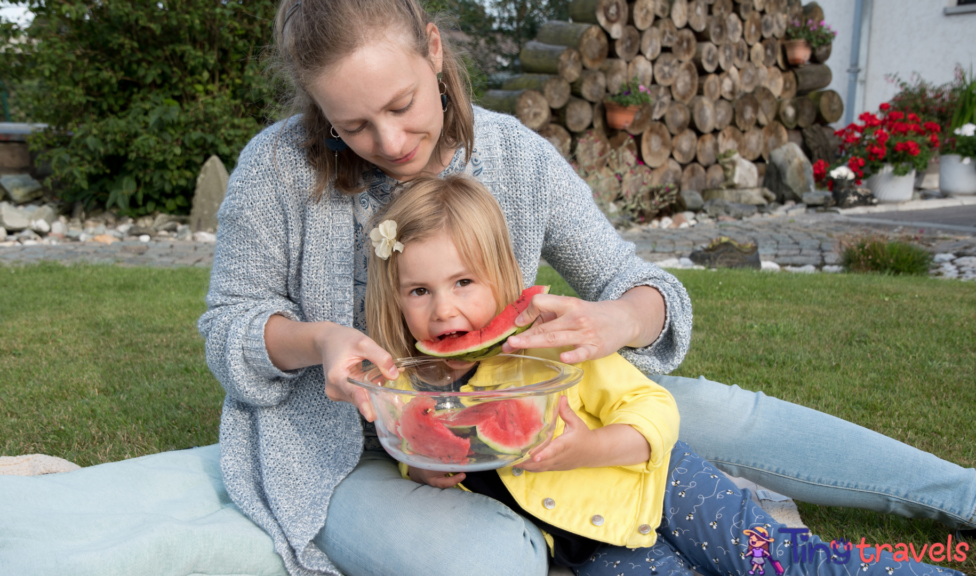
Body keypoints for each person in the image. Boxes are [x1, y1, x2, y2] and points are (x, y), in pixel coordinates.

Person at [197, 0, 976, 574]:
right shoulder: (277, 168)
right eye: (353, 126)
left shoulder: (517, 157)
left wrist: (615, 323)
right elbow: (230, 324)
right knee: (494, 561)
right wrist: (317, 340)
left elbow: (644, 287)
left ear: (434, 51)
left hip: (530, 410)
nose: (390, 143)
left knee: (697, 409)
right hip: (343, 453)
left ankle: (962, 493)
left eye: (402, 107)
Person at [360, 173, 963, 576]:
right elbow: (446, 472)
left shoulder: (546, 347)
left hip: (665, 486)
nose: (444, 309)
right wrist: (430, 469)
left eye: (463, 283)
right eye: (420, 290)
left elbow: (655, 411)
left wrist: (589, 446)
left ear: (501, 276)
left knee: (778, 560)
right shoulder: (408, 389)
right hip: (594, 546)